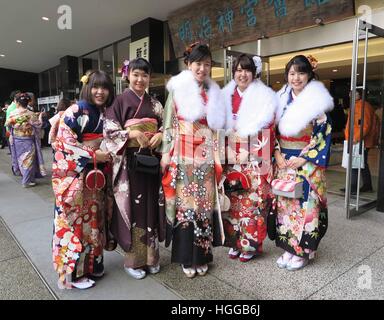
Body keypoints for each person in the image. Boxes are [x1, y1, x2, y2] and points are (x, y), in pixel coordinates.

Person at [160, 43, 226, 278]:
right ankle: (187, 257)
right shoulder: (177, 90)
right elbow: (169, 124)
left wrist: (218, 156)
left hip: (206, 157)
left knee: (204, 208)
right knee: (186, 208)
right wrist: (166, 154)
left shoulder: (213, 93)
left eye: (207, 64)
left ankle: (202, 255)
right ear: (188, 65)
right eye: (198, 63)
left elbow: (216, 130)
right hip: (184, 156)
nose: (202, 68)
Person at [51, 70, 114, 289]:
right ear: (87, 87)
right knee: (76, 224)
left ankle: (93, 265)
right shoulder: (74, 111)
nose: (100, 92)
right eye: (95, 87)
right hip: (76, 178)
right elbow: (65, 144)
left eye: (105, 87)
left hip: (95, 178)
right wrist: (95, 155)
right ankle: (74, 275)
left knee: (94, 223)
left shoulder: (104, 112)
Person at [104, 58, 165, 279]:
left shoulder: (156, 104)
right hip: (130, 163)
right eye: (136, 74)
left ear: (149, 78)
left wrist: (161, 134)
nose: (140, 79)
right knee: (136, 210)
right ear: (128, 75)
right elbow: (109, 132)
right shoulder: (119, 102)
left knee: (150, 208)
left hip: (151, 161)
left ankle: (151, 258)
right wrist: (130, 133)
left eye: (145, 75)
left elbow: (168, 128)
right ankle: (135, 261)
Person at [274, 55, 333, 270]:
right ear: (287, 76)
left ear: (309, 75)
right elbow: (271, 132)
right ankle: (288, 248)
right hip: (284, 162)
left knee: (306, 206)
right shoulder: (279, 101)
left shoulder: (317, 104)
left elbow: (322, 135)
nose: (296, 78)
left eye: (301, 73)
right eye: (292, 73)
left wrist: (304, 158)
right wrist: (278, 154)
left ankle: (303, 252)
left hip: (306, 162)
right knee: (285, 205)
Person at [221, 54, 277, 262]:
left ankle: (251, 245)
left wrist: (251, 151)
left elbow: (269, 128)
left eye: (246, 70)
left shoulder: (264, 97)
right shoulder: (225, 97)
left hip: (254, 159)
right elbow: (217, 127)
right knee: (233, 201)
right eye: (238, 70)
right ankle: (235, 242)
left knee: (252, 204)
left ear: (254, 74)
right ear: (233, 72)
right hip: (231, 157)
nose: (242, 74)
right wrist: (225, 151)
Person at [5, 93, 47, 186]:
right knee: (28, 160)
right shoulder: (31, 114)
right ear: (27, 103)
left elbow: (7, 124)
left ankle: (29, 178)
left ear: (18, 103)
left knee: (21, 159)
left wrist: (16, 125)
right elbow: (39, 125)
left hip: (17, 140)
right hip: (28, 139)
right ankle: (26, 181)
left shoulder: (13, 113)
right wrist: (40, 117)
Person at [343, 89, 378, 193]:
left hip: (359, 140)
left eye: (355, 93)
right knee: (361, 163)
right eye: (350, 93)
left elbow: (364, 125)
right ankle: (367, 185)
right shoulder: (359, 105)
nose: (351, 95)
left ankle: (353, 188)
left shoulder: (362, 106)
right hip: (358, 140)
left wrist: (356, 138)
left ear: (360, 94)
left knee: (354, 163)